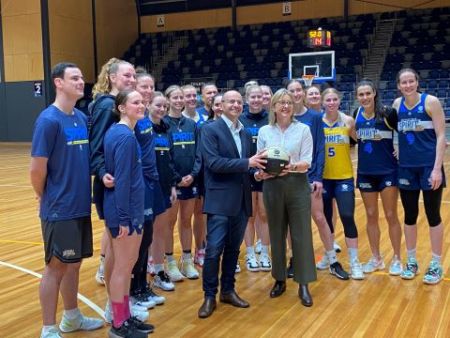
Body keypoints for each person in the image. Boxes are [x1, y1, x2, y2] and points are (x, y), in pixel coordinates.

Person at [30, 62, 103, 338]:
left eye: (82, 77)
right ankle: (48, 328)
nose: (81, 81)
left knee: (74, 263)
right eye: (74, 77)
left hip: (80, 204)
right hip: (59, 208)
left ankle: (71, 317)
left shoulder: (81, 119)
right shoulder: (48, 120)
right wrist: (43, 195)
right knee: (56, 267)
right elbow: (37, 169)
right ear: (58, 82)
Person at [198, 90, 266, 318]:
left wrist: (255, 174)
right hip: (219, 200)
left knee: (233, 250)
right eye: (231, 101)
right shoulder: (209, 129)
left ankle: (228, 290)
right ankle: (209, 296)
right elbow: (214, 163)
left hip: (241, 199)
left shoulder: (245, 133)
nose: (236, 105)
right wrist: (248, 163)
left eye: (239, 101)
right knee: (213, 250)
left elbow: (246, 168)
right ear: (221, 105)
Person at [256, 88, 317, 307]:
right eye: (280, 102)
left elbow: (307, 161)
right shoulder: (264, 131)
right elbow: (260, 162)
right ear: (273, 106)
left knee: (301, 233)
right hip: (272, 185)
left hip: (297, 184)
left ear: (294, 106)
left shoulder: (304, 130)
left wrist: (290, 166)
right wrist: (260, 173)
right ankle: (280, 279)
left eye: (289, 102)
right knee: (276, 233)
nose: (285, 106)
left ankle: (303, 283)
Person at [287, 80, 348, 280]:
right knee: (290, 222)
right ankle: (294, 260)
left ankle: (332, 260)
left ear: (303, 93)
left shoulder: (314, 117)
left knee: (320, 218)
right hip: (287, 177)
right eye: (291, 90)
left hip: (309, 177)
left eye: (298, 90)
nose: (295, 93)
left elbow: (320, 149)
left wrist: (317, 176)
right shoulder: (282, 115)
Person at [103, 90, 153, 337]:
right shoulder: (124, 137)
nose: (141, 105)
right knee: (123, 268)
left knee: (127, 266)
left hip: (130, 210)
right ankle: (119, 323)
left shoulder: (121, 133)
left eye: (143, 102)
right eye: (135, 102)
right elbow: (122, 180)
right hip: (125, 213)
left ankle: (126, 316)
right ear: (121, 107)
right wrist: (124, 217)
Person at [393, 68, 446, 284]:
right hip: (406, 168)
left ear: (417, 82)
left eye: (411, 81)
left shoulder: (430, 102)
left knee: (433, 214)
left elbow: (442, 135)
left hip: (428, 167)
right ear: (398, 85)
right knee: (409, 215)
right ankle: (412, 260)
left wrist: (436, 169)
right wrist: (397, 146)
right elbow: (396, 132)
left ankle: (436, 263)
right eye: (403, 82)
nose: (407, 85)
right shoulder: (397, 105)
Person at [354, 79, 402, 275]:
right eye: (361, 94)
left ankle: (397, 258)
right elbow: (350, 139)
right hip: (366, 172)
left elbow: (404, 131)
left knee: (391, 215)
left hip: (388, 172)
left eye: (367, 93)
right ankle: (376, 258)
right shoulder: (355, 115)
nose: (364, 97)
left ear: (374, 93)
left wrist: (400, 147)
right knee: (371, 216)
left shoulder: (388, 113)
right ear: (357, 97)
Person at [321, 88, 364, 280]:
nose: (331, 102)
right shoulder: (317, 122)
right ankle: (329, 257)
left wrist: (394, 150)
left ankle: (355, 262)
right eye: (327, 99)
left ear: (340, 101)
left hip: (344, 177)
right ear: (323, 102)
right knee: (327, 219)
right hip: (323, 179)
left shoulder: (348, 121)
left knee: (347, 216)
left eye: (334, 99)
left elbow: (363, 141)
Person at [132, 69, 166, 307]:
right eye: (143, 86)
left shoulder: (144, 116)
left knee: (148, 238)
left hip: (151, 184)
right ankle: (134, 290)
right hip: (138, 186)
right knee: (138, 242)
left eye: (150, 87)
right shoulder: (131, 117)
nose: (148, 91)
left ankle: (143, 286)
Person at [164, 85, 201, 280]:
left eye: (181, 97)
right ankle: (169, 262)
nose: (179, 101)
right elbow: (165, 156)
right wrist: (177, 178)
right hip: (173, 183)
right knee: (169, 223)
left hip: (191, 181)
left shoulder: (191, 125)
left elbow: (198, 154)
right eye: (175, 98)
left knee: (186, 220)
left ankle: (187, 260)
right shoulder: (163, 124)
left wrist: (193, 175)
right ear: (168, 100)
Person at [148, 92, 180, 291]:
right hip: (147, 187)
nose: (162, 110)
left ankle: (159, 270)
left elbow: (169, 160)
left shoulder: (166, 129)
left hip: (164, 187)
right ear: (148, 105)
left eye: (164, 107)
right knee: (145, 233)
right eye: (158, 105)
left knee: (160, 230)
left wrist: (173, 185)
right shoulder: (142, 128)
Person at [239, 85, 272, 273]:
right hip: (246, 173)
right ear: (247, 99)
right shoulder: (241, 120)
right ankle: (250, 253)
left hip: (266, 173)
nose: (256, 100)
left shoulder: (270, 119)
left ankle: (265, 253)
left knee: (264, 214)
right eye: (253, 96)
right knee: (248, 216)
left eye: (259, 96)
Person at [182, 84, 207, 267]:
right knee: (184, 217)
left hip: (203, 173)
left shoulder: (204, 117)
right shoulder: (175, 120)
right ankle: (185, 255)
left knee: (200, 213)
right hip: (185, 176)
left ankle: (201, 249)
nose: (191, 98)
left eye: (193, 95)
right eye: (187, 95)